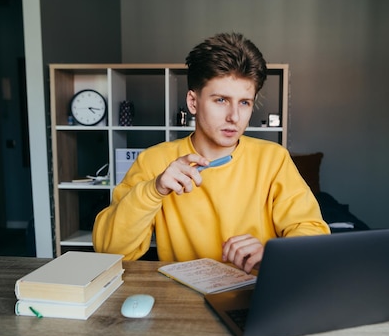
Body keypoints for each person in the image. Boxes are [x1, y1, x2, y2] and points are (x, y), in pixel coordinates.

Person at [93, 32, 329, 272]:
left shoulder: (273, 159)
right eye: (221, 100)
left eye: (244, 102)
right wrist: (154, 190)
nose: (234, 117)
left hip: (256, 295)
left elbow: (311, 232)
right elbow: (108, 251)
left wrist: (270, 251)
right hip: (185, 299)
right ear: (193, 102)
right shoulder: (154, 161)